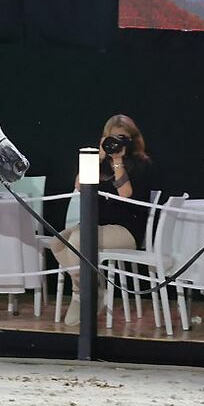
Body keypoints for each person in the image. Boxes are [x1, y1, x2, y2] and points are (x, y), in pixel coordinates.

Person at [46, 114, 156, 326]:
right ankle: (93, 289)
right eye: (111, 137)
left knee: (78, 240)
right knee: (57, 243)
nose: (116, 143)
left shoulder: (141, 164)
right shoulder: (101, 164)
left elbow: (125, 194)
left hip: (127, 229)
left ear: (132, 139)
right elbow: (79, 185)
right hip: (97, 224)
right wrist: (98, 157)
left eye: (121, 138)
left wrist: (118, 161)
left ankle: (82, 297)